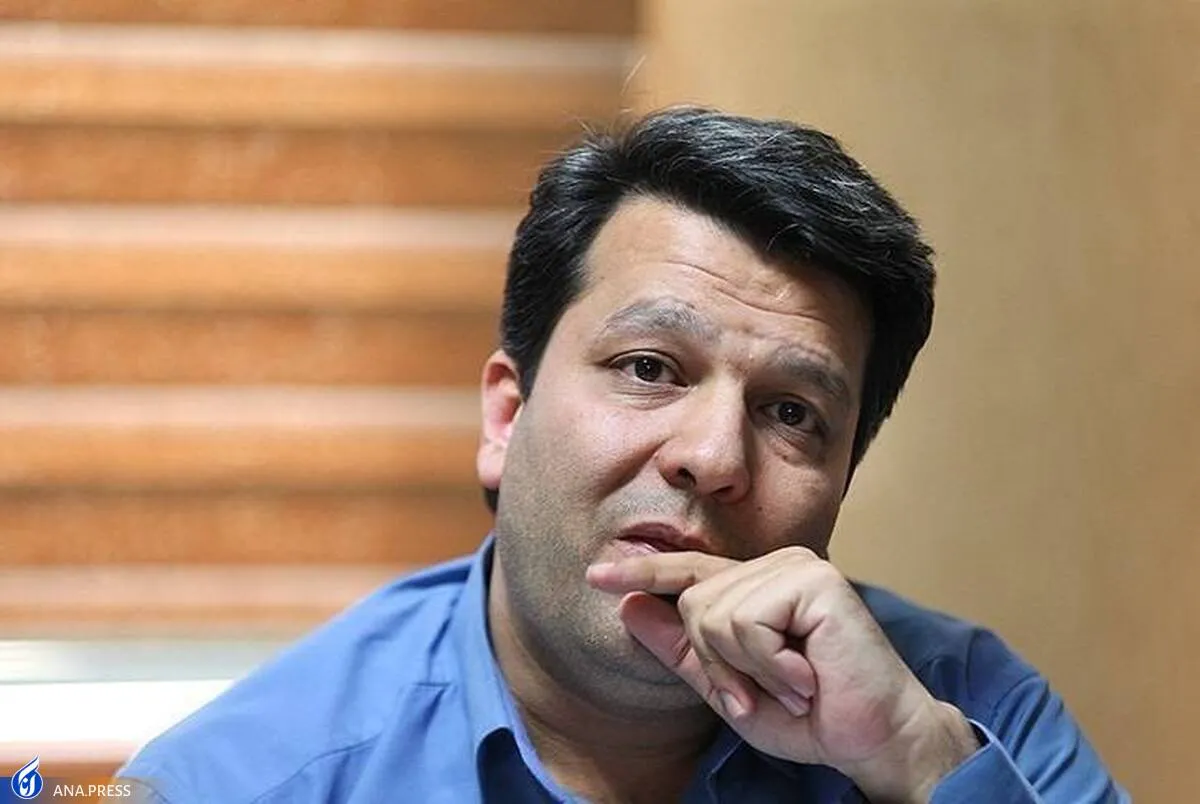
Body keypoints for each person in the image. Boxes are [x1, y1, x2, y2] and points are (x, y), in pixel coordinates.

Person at [117, 107, 1128, 803]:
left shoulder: (968, 711)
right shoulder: (241, 782)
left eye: (791, 412)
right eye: (649, 368)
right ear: (506, 418)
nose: (713, 455)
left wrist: (915, 762)